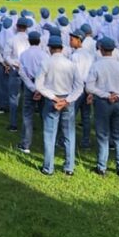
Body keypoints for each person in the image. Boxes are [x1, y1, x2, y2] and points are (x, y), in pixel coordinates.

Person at [86, 36, 119, 177]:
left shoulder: (97, 65)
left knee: (103, 134)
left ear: (100, 49)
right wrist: (118, 95)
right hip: (118, 102)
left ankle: (102, 167)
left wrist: (106, 95)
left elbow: (89, 86)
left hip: (102, 102)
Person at [35, 34, 82, 176]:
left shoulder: (46, 63)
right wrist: (66, 100)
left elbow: (39, 85)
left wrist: (54, 98)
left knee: (50, 134)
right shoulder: (71, 64)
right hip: (68, 100)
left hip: (52, 100)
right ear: (62, 48)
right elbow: (79, 87)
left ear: (49, 48)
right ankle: (69, 167)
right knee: (69, 134)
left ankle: (48, 168)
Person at [17, 30, 46, 154]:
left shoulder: (24, 54)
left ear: (29, 41)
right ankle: (47, 143)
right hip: (42, 87)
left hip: (29, 85)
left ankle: (25, 144)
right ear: (39, 41)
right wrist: (39, 89)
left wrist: (32, 88)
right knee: (44, 115)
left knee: (27, 115)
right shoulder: (44, 55)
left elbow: (21, 72)